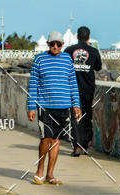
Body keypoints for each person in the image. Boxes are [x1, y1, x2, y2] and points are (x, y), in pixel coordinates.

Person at [27, 31, 81, 185]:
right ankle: (39, 170)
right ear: (48, 44)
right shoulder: (39, 60)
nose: (55, 47)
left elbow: (73, 84)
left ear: (63, 45)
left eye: (58, 44)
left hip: (63, 107)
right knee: (45, 139)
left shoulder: (67, 60)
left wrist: (76, 105)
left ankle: (50, 175)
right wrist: (31, 107)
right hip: (45, 107)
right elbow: (33, 85)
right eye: (52, 44)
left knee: (56, 140)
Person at [65, 25, 102, 155]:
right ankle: (84, 145)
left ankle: (76, 146)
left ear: (77, 36)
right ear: (89, 37)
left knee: (74, 117)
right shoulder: (93, 51)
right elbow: (98, 67)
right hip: (88, 89)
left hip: (72, 89)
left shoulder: (69, 50)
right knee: (86, 116)